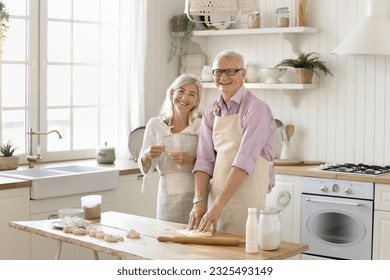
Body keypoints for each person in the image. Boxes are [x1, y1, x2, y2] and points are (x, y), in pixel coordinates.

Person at [188, 50, 276, 235]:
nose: (223, 77)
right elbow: (204, 161)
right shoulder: (211, 111)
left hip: (246, 200)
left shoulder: (256, 109)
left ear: (243, 74)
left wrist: (218, 205)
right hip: (216, 198)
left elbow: (244, 160)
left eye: (230, 71)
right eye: (218, 72)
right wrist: (200, 201)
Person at [138, 74, 203, 224]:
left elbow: (210, 165)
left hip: (197, 199)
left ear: (196, 101)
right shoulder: (155, 125)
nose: (184, 98)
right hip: (167, 199)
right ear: (172, 93)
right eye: (181, 91)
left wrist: (189, 160)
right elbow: (144, 167)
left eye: (191, 94)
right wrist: (147, 155)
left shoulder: (201, 126)